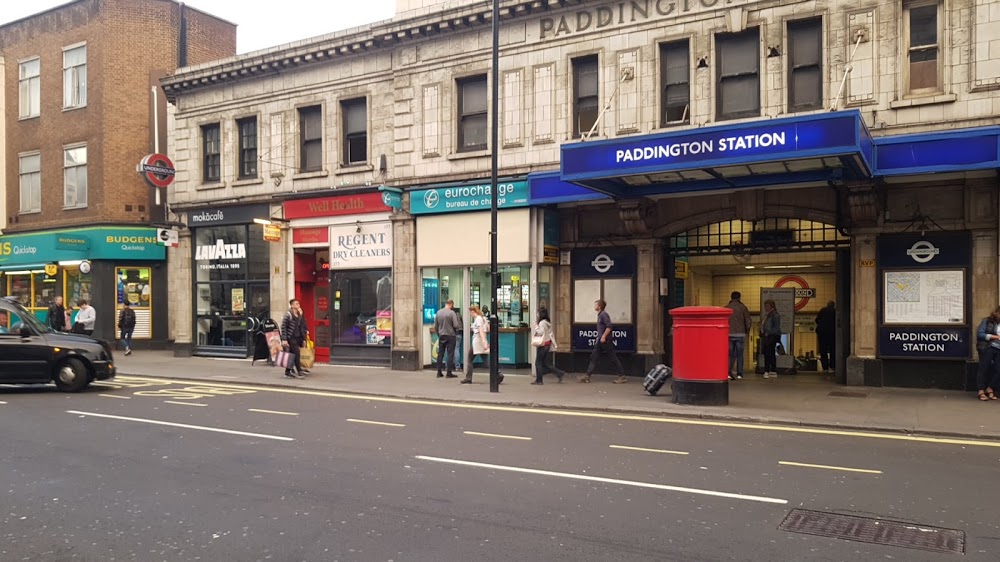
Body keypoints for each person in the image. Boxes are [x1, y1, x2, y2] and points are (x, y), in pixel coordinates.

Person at [580, 299, 627, 384]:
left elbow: (609, 326)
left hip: (606, 341)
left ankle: (622, 376)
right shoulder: (600, 315)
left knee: (613, 358)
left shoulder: (603, 315)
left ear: (599, 306)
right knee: (594, 357)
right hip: (600, 341)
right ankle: (587, 376)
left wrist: (604, 337)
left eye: (596, 305)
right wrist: (599, 338)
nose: (594, 306)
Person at [461, 305, 502, 384]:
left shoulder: (478, 319)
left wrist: (483, 341)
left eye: (470, 313)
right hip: (482, 340)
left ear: (473, 312)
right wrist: (485, 340)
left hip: (477, 340)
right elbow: (488, 328)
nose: (470, 314)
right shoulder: (483, 318)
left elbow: (480, 330)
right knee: (485, 361)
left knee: (469, 359)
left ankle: (468, 378)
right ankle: (498, 373)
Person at [531, 307, 565, 384]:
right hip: (547, 344)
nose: (537, 314)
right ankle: (559, 373)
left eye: (538, 313)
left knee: (538, 363)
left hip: (543, 344)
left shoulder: (542, 323)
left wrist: (536, 326)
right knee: (546, 363)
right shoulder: (547, 322)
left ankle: (539, 380)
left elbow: (540, 332)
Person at [725, 291, 752, 380]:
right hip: (740, 334)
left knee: (730, 354)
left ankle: (728, 372)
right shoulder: (743, 307)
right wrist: (747, 331)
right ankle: (740, 374)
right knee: (740, 354)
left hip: (729, 333)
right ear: (739, 298)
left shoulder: (726, 308)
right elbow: (748, 321)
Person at [975, 306, 1000, 401]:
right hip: (988, 347)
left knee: (998, 370)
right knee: (984, 368)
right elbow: (980, 334)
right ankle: (981, 390)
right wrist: (996, 337)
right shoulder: (987, 321)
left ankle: (990, 388)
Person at [280, 299, 309, 379]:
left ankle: (287, 372)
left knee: (291, 355)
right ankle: (299, 371)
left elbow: (301, 325)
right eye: (296, 304)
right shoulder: (288, 315)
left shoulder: (299, 314)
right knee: (296, 353)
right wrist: (284, 339)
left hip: (298, 337)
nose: (298, 305)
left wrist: (303, 338)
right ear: (292, 305)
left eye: (298, 303)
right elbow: (283, 327)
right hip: (291, 338)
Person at [434, 300, 460, 378]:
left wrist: (439, 334)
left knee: (440, 354)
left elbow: (436, 326)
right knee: (450, 354)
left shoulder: (438, 312)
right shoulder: (452, 313)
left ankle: (439, 372)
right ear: (451, 304)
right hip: (450, 335)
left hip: (441, 335)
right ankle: (449, 372)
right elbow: (456, 325)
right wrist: (456, 331)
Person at [760, 299, 781, 379]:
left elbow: (776, 327)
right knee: (771, 353)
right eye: (765, 306)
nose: (766, 307)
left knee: (768, 353)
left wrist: (768, 332)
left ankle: (767, 370)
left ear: (772, 306)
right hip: (768, 336)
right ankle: (772, 370)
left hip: (770, 336)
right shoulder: (768, 315)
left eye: (767, 306)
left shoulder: (774, 315)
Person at [815, 301, 836, 373]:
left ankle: (825, 367)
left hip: (822, 333)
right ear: (833, 305)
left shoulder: (823, 310)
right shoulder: (835, 311)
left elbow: (817, 320)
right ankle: (832, 366)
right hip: (832, 333)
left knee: (823, 350)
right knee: (832, 350)